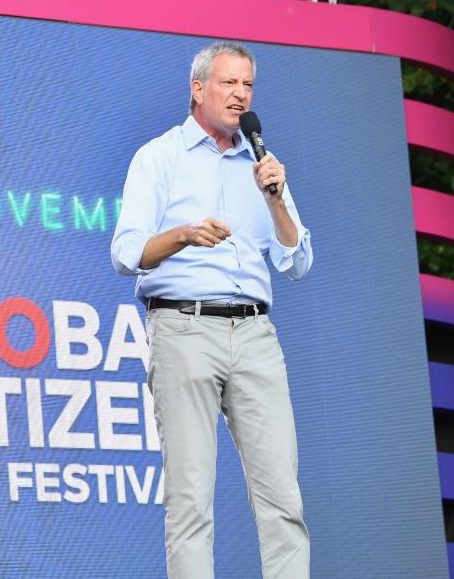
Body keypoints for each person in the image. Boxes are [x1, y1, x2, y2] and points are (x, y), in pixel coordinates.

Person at [110, 41, 313, 578]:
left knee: (283, 500)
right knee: (191, 499)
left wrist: (274, 197)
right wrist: (182, 235)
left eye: (247, 86)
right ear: (198, 89)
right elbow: (126, 253)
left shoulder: (262, 165)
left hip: (255, 334)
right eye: (229, 84)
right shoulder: (159, 158)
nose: (240, 95)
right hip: (183, 327)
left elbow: (297, 262)